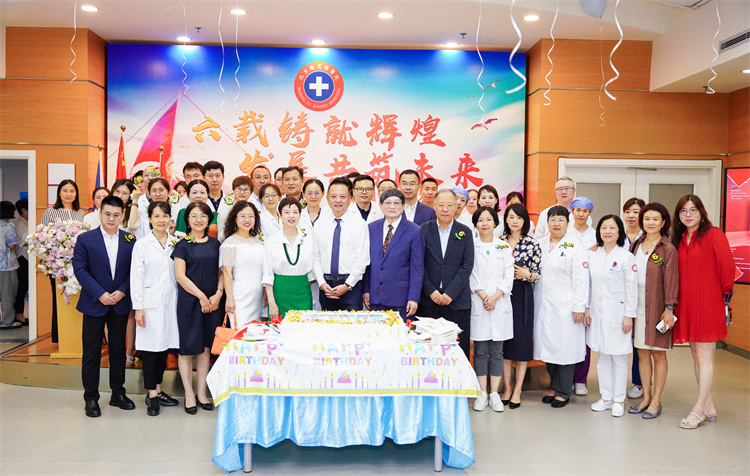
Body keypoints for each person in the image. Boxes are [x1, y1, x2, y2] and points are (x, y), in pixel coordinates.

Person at [671, 195, 734, 429]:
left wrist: (722, 297)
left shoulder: (713, 234)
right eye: (683, 211)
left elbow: (727, 268)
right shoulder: (679, 239)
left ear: (701, 212)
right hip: (686, 303)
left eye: (693, 210)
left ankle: (698, 409)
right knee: (696, 355)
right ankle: (708, 406)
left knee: (704, 356)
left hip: (708, 302)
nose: (688, 215)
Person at [72, 195, 136, 417]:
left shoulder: (130, 239)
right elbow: (80, 269)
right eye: (107, 214)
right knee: (91, 352)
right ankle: (91, 398)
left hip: (119, 302)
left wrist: (123, 291)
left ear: (122, 216)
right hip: (94, 302)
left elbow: (135, 270)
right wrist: (100, 293)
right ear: (100, 213)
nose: (111, 218)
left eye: (116, 215)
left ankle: (118, 393)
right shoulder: (85, 239)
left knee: (118, 350)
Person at [534, 206, 589, 408]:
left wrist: (579, 307)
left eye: (561, 220)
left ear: (568, 222)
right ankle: (554, 387)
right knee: (549, 348)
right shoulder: (540, 243)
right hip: (544, 304)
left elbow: (582, 279)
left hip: (567, 306)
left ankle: (564, 391)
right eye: (552, 220)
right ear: (547, 222)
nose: (556, 224)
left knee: (565, 349)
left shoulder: (576, 246)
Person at [173, 201, 224, 414]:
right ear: (187, 220)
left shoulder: (216, 244)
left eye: (203, 215)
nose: (198, 220)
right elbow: (180, 276)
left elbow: (222, 272)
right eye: (193, 216)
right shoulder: (182, 245)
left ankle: (202, 393)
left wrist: (218, 294)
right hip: (190, 302)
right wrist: (201, 296)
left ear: (209, 219)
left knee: (205, 349)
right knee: (187, 349)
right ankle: (189, 394)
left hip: (213, 303)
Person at [627, 202, 678, 419]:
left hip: (658, 304)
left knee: (658, 353)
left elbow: (672, 281)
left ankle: (656, 400)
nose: (650, 222)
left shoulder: (668, 249)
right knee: (641, 352)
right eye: (647, 218)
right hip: (636, 302)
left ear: (663, 222)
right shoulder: (635, 245)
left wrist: (669, 308)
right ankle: (646, 397)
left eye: (655, 219)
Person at [130, 201, 180, 416]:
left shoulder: (176, 243)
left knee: (164, 348)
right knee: (150, 350)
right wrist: (138, 308)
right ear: (149, 219)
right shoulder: (142, 245)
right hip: (149, 305)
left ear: (170, 218)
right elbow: (136, 278)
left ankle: (158, 390)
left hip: (171, 304)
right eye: (156, 216)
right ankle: (151, 395)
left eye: (165, 216)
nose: (161, 220)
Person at [585, 215, 637, 418]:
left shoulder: (626, 257)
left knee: (619, 358)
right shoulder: (593, 254)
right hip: (597, 313)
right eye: (604, 227)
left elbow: (631, 290)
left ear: (619, 231)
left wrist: (629, 316)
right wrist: (586, 308)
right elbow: (589, 284)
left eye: (612, 228)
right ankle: (606, 397)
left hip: (618, 314)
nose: (607, 231)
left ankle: (618, 400)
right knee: (603, 356)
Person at [419, 189, 474, 359]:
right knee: (429, 349)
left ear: (456, 206)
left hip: (457, 301)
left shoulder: (465, 232)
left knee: (458, 350)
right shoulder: (422, 230)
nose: (445, 209)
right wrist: (431, 291)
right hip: (429, 300)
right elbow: (419, 264)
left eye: (449, 205)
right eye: (441, 205)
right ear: (434, 206)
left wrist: (450, 293)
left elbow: (467, 265)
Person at [469, 206, 514, 412]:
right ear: (475, 224)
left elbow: (508, 275)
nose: (485, 223)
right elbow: (470, 273)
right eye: (480, 220)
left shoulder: (504, 247)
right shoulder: (471, 246)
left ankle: (494, 393)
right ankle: (481, 393)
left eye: (489, 219)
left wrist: (495, 297)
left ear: (495, 223)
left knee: (497, 350)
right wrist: (484, 296)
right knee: (479, 350)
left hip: (499, 303)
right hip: (479, 301)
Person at [500, 203, 541, 409]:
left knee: (522, 343)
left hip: (523, 295)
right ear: (506, 219)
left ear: (525, 221)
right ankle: (507, 388)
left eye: (519, 217)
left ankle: (518, 390)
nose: (515, 221)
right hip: (502, 295)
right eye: (511, 217)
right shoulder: (499, 242)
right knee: (505, 343)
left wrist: (528, 275)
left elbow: (538, 274)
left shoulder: (532, 243)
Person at [364, 189, 424, 320]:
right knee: (376, 331)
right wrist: (367, 290)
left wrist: (413, 298)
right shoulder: (371, 228)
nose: (392, 207)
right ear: (380, 206)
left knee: (400, 332)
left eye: (396, 203)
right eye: (388, 203)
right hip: (375, 296)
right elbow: (367, 263)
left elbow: (417, 268)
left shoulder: (414, 231)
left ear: (403, 206)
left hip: (401, 299)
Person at [313, 178, 370, 311]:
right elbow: (315, 256)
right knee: (326, 323)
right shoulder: (319, 224)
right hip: (326, 286)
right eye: (333, 196)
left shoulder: (359, 224)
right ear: (327, 198)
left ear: (350, 198)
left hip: (351, 286)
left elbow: (362, 259)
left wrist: (347, 285)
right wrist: (321, 283)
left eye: (342, 196)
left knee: (353, 324)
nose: (338, 200)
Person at [42, 179, 85, 342]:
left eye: (72, 191)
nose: (68, 194)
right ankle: (60, 336)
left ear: (76, 193)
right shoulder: (50, 212)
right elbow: (44, 238)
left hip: (78, 264)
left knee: (78, 298)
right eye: (65, 190)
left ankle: (77, 336)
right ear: (59, 193)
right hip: (58, 264)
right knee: (59, 298)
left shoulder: (80, 213)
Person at [262, 198, 316, 319]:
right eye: (286, 212)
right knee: (279, 328)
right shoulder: (272, 240)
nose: (291, 216)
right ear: (280, 215)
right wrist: (272, 303)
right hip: (280, 293)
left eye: (295, 212)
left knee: (303, 327)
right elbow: (267, 274)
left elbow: (314, 264)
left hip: (302, 291)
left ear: (300, 215)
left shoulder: (308, 238)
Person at [221, 201, 264, 326]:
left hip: (257, 296)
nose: (247, 220)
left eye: (251, 216)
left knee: (255, 331)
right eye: (242, 216)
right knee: (240, 330)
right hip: (239, 296)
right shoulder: (230, 243)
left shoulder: (258, 241)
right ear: (235, 218)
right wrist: (229, 298)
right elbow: (227, 273)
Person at [569, 196, 596, 396]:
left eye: (584, 211)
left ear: (589, 213)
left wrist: (586, 304)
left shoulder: (596, 235)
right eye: (577, 210)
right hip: (566, 290)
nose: (580, 214)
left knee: (584, 339)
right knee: (568, 337)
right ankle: (567, 378)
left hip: (590, 291)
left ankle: (580, 380)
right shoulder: (565, 233)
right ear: (571, 211)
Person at [622, 197, 646, 399]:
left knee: (639, 343)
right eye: (628, 211)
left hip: (641, 295)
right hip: (619, 296)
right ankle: (618, 381)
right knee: (620, 340)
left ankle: (639, 382)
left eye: (636, 212)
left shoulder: (648, 238)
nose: (631, 216)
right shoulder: (615, 235)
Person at [0, 202, 20, 330]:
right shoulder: (9, 226)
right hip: (6, 265)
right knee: (7, 294)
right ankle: (7, 321)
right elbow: (12, 244)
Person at [217, 176, 253, 242]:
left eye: (246, 189)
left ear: (251, 192)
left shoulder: (254, 212)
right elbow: (221, 237)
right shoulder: (225, 213)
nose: (242, 192)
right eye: (239, 189)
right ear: (233, 191)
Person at [12, 199, 29, 325]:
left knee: (24, 286)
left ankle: (20, 313)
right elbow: (21, 242)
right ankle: (18, 314)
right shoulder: (19, 223)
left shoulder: (25, 222)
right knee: (22, 286)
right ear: (24, 210)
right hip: (21, 257)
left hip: (26, 256)